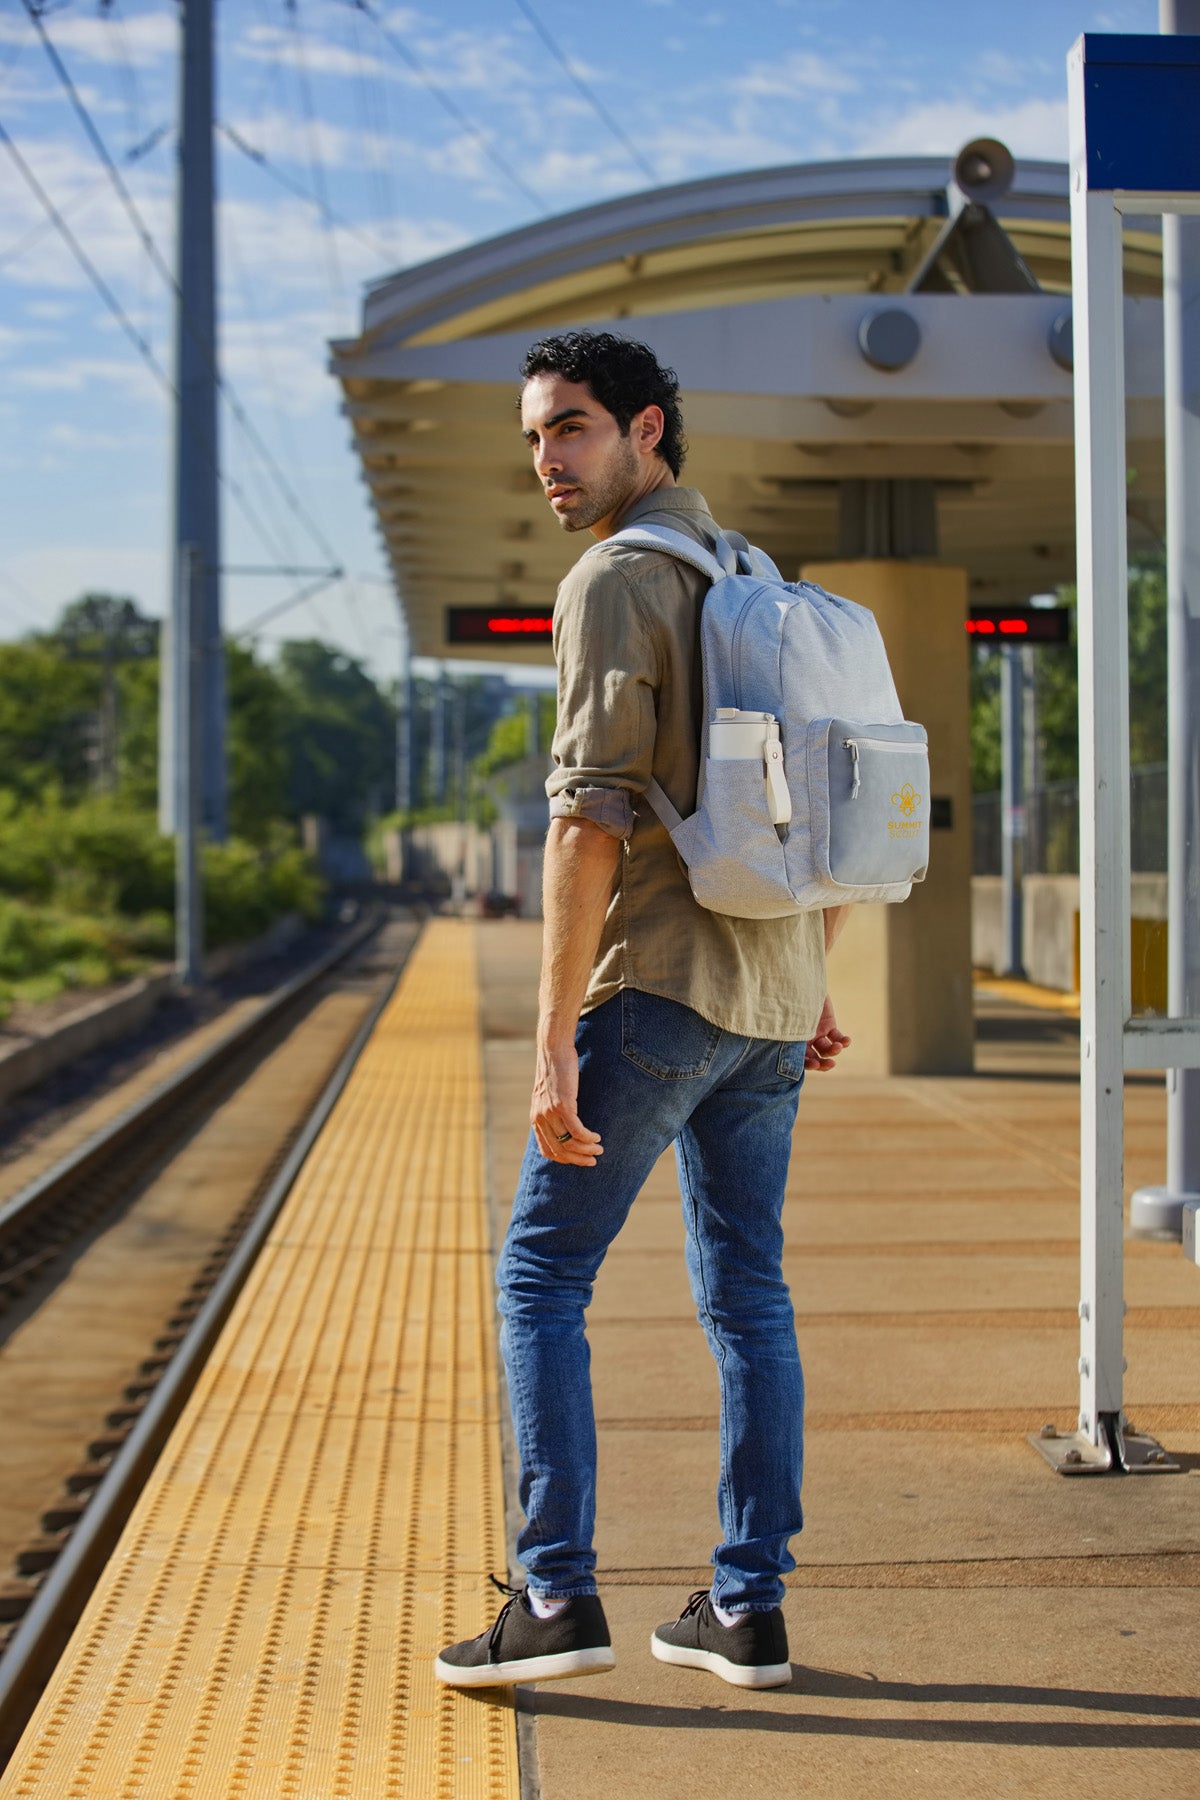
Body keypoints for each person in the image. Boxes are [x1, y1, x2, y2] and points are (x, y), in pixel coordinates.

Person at [435, 330, 850, 1694]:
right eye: (536, 438)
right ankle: (749, 1612)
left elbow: (588, 820)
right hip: (769, 999)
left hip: (660, 987)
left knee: (540, 1280)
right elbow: (831, 803)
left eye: (571, 428)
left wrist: (556, 1041)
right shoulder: (753, 575)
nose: (549, 461)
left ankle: (554, 1597)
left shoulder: (618, 579)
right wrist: (814, 979)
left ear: (647, 429)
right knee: (750, 1300)